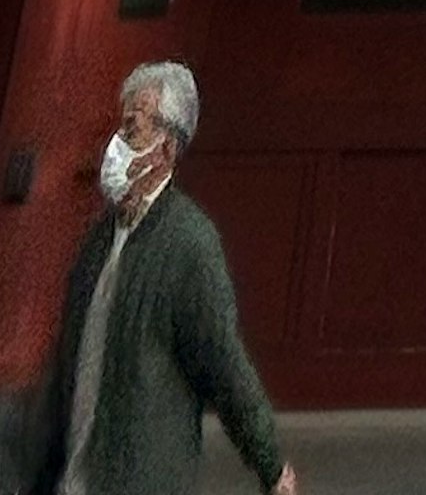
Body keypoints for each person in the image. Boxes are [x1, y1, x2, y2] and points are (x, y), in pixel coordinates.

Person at [31, 61, 293, 495]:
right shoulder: (99, 238)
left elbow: (223, 363)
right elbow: (67, 362)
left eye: (133, 129)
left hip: (139, 476)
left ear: (167, 148)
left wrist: (270, 465)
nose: (117, 145)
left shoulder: (189, 243)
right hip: (72, 476)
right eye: (121, 127)